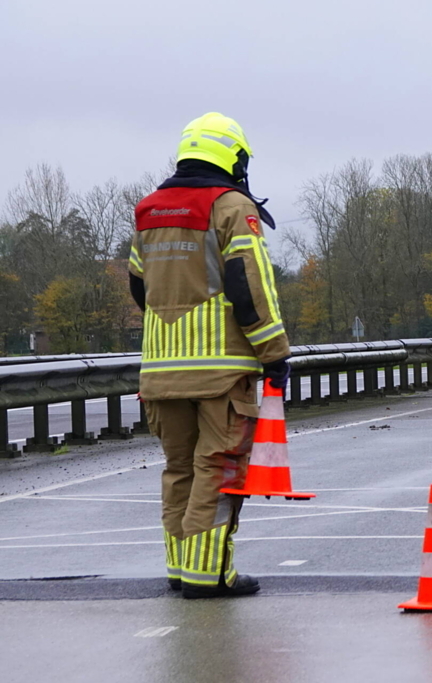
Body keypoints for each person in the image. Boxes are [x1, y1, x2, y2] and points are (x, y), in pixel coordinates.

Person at [128, 112, 291, 599]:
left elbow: (140, 287)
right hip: (220, 372)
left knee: (178, 468)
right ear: (233, 157)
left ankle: (180, 569)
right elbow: (250, 287)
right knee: (218, 468)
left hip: (160, 372)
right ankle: (207, 576)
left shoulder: (149, 211)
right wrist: (274, 352)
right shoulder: (232, 208)